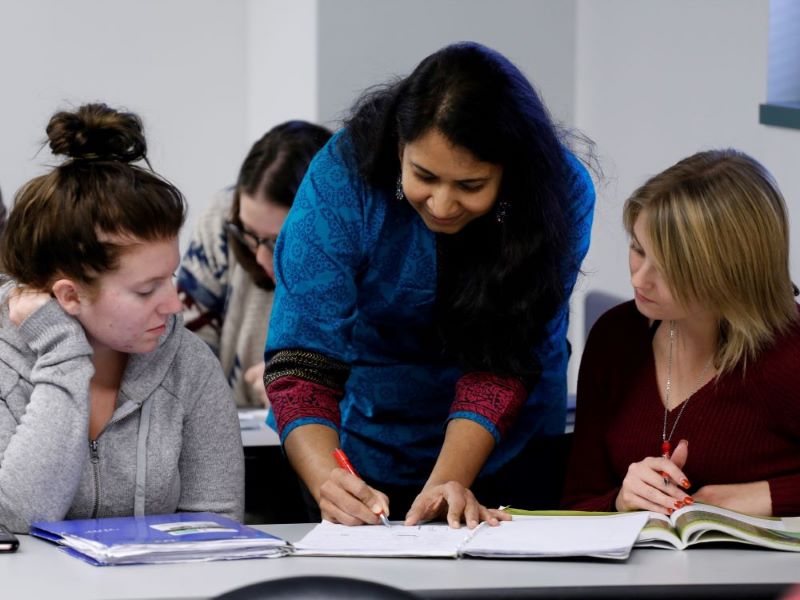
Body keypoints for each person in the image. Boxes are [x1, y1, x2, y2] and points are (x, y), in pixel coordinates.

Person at [264, 42, 596, 528]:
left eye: (470, 186)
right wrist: (326, 480)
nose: (441, 205)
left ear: (510, 174)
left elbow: (502, 362)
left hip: (504, 447)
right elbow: (302, 356)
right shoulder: (342, 177)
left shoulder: (558, 193)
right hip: (361, 436)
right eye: (424, 176)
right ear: (400, 148)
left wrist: (447, 484)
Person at [0, 103, 244, 533]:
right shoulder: (5, 366)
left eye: (170, 277)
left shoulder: (189, 365)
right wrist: (61, 348)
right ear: (69, 295)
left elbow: (216, 527)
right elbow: (15, 520)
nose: (173, 305)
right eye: (146, 289)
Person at [562, 149, 800, 517]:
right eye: (638, 250)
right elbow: (577, 503)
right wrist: (620, 500)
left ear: (731, 272)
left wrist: (758, 497)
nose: (639, 279)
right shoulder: (615, 336)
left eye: (669, 268)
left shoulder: (790, 353)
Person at [177, 121, 332, 407]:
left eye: (278, 242)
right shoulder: (222, 218)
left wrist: (302, 389)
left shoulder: (365, 251)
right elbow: (183, 352)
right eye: (249, 234)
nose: (261, 259)